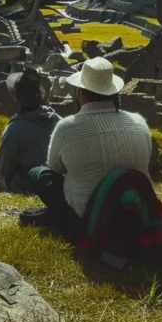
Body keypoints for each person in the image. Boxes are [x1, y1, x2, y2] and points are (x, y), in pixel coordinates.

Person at [28, 58, 152, 235]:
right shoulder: (139, 122)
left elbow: (55, 168)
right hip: (137, 211)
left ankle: (66, 224)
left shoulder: (66, 127)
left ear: (82, 94)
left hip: (90, 219)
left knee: (38, 174)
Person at [0, 68, 60, 193]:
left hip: (27, 185)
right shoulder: (56, 119)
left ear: (16, 98)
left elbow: (2, 172)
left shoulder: (15, 128)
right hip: (53, 180)